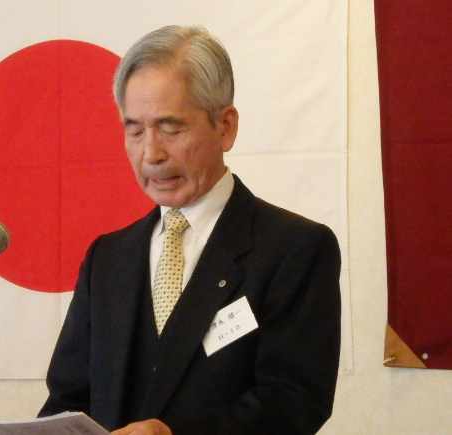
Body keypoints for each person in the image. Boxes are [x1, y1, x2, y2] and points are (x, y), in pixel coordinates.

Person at [39, 25, 341, 435]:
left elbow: (293, 402)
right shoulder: (107, 259)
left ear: (225, 126)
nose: (151, 153)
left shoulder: (295, 249)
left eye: (171, 128)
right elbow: (67, 401)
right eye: (135, 130)